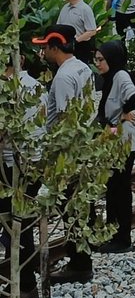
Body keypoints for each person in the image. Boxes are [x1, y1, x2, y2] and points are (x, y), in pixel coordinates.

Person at [32, 26, 95, 283]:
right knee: (81, 205)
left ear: (55, 47)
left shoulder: (63, 78)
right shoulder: (83, 67)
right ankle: (81, 258)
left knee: (69, 206)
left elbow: (69, 118)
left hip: (68, 150)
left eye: (45, 47)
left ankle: (79, 263)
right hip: (84, 144)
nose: (42, 51)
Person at [93, 40, 135, 253]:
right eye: (96, 60)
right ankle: (113, 234)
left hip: (123, 143)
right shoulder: (110, 80)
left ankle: (122, 238)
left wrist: (122, 116)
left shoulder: (120, 76)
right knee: (113, 189)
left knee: (119, 190)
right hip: (114, 139)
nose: (98, 64)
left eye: (101, 59)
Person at [1, 58, 41, 298]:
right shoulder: (36, 85)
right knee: (21, 222)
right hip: (34, 162)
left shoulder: (7, 90)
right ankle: (22, 280)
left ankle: (24, 284)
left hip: (12, 166)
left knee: (14, 224)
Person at [57, 0, 100, 64]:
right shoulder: (65, 7)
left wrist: (75, 41)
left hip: (80, 46)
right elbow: (58, 25)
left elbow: (92, 31)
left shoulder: (85, 9)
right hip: (64, 45)